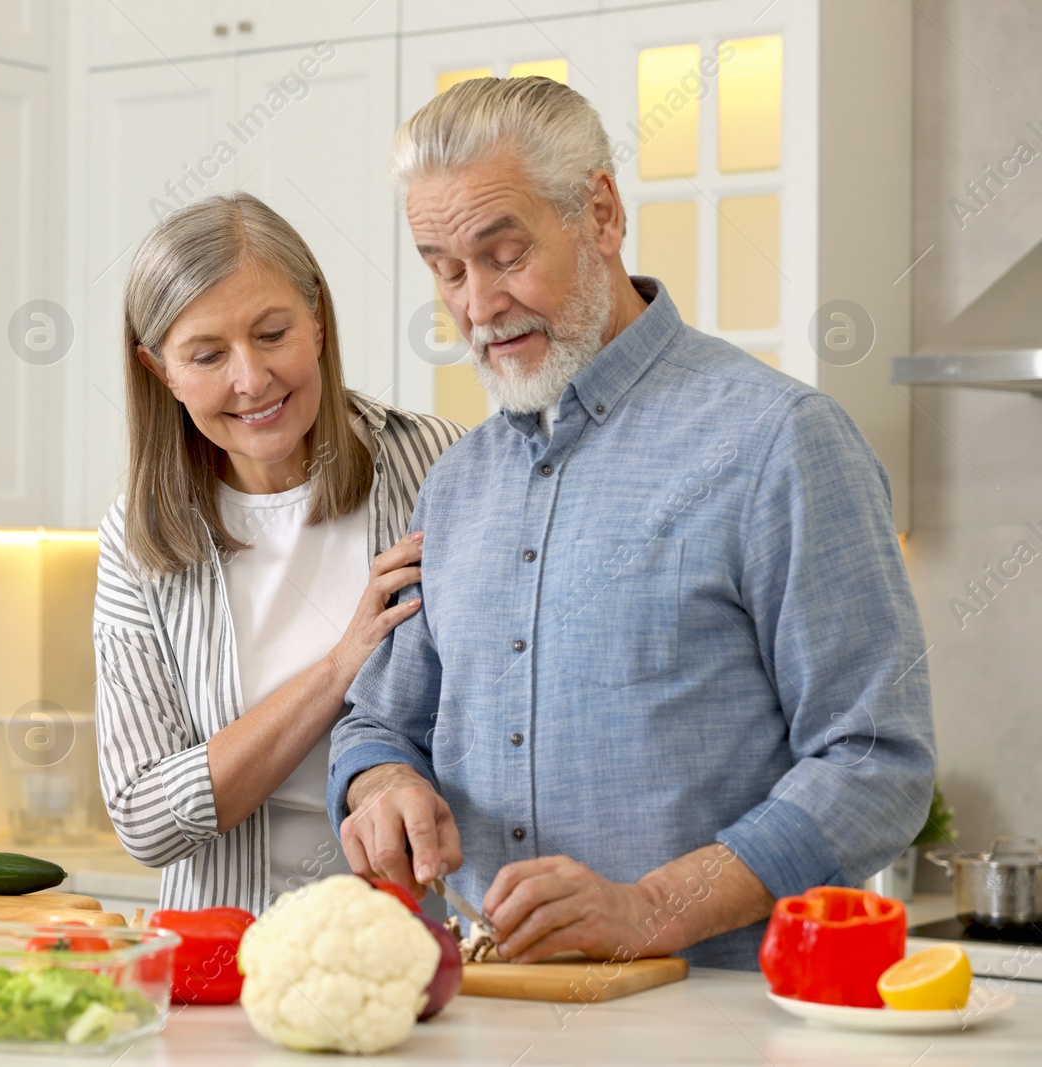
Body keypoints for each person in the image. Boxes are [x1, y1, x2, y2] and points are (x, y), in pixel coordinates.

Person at [329, 76, 936, 970]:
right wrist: (382, 783)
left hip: (712, 1025)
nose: (477, 305)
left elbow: (876, 761)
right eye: (446, 268)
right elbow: (379, 722)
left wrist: (652, 908)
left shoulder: (780, 441)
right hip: (489, 1014)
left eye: (504, 254)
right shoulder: (456, 483)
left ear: (601, 214)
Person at [94, 193, 465, 914]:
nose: (252, 379)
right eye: (207, 355)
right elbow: (144, 816)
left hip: (430, 935)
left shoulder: (441, 466)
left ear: (318, 319)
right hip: (228, 954)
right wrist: (340, 664)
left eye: (272, 333)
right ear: (157, 368)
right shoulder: (136, 540)